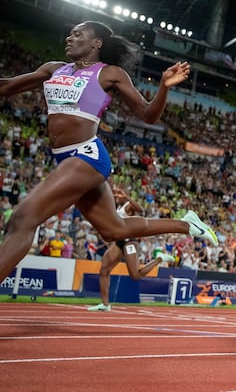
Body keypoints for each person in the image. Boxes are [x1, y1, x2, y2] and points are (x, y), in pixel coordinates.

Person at [0, 20, 218, 285]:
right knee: (114, 229)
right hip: (65, 158)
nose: (69, 38)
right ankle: (187, 225)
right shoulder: (53, 69)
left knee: (23, 217)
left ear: (96, 43)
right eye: (69, 34)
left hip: (86, 156)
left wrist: (163, 86)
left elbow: (148, 115)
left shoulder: (109, 73)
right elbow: (6, 86)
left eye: (77, 34)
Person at [88, 185, 176, 312]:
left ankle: (159, 259)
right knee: (104, 269)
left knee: (135, 275)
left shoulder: (128, 206)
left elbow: (141, 211)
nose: (115, 196)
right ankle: (105, 304)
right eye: (114, 194)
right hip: (119, 242)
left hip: (130, 242)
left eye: (118, 195)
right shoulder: (115, 207)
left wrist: (127, 197)